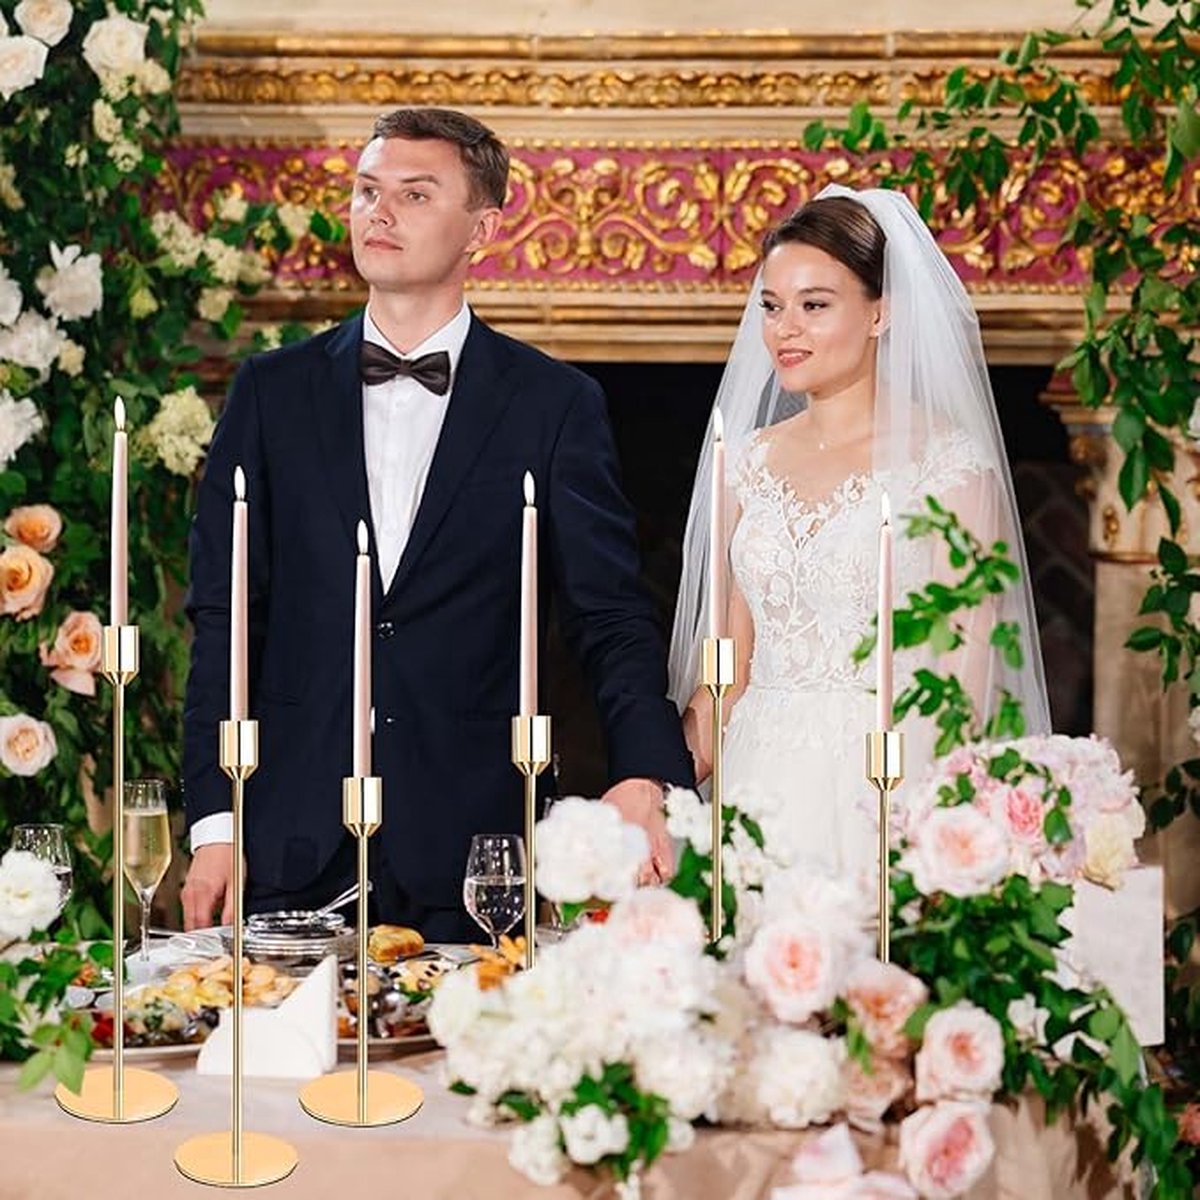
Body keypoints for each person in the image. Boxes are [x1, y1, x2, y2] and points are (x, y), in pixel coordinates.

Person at [181, 108, 693, 938]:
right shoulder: (270, 393)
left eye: (415, 195)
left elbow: (610, 617)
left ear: (481, 230)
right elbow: (225, 618)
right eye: (367, 190)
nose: (378, 212)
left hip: (479, 849)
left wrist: (645, 771)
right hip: (286, 838)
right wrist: (215, 822)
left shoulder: (554, 405)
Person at [668, 186, 1050, 877]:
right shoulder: (748, 462)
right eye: (772, 307)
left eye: (814, 305)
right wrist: (655, 784)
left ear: (881, 312)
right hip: (756, 788)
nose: (785, 330)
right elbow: (727, 673)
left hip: (883, 788)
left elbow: (967, 683)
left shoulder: (950, 468)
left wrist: (934, 835)